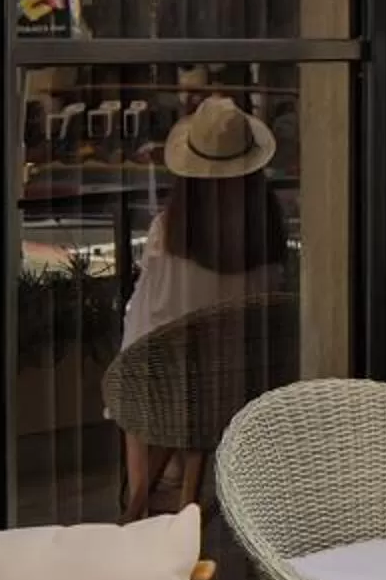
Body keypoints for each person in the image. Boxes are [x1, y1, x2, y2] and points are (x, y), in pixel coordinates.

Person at [121, 95, 290, 510]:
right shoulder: (269, 235)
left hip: (174, 394)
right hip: (247, 389)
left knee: (132, 369)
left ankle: (141, 494)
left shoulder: (168, 234)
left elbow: (141, 331)